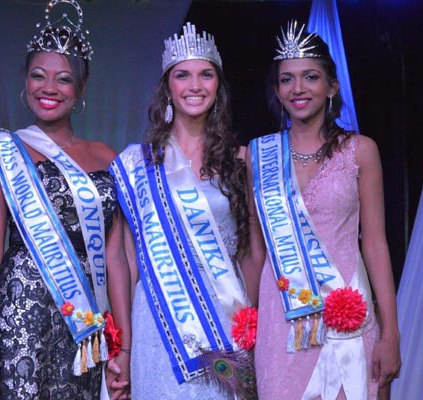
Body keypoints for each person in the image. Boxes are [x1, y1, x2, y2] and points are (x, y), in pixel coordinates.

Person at [0, 1, 131, 399]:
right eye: (38, 76)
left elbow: (115, 257)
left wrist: (124, 347)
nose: (49, 88)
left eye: (64, 79)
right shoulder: (3, 151)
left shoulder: (107, 157)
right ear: (25, 82)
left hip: (85, 320)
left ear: (81, 89)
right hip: (22, 311)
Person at [110, 22, 264, 400]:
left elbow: (252, 252)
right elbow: (125, 258)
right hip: (159, 319)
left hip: (224, 315)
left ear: (218, 86)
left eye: (205, 75)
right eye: (183, 75)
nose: (195, 85)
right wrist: (124, 347)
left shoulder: (241, 159)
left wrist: (251, 323)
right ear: (167, 88)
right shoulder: (136, 164)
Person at [250, 20, 401, 399]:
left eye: (311, 77)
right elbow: (255, 252)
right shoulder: (257, 156)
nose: (298, 88)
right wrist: (245, 325)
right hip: (282, 317)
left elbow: (375, 243)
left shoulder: (360, 150)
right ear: (277, 90)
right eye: (287, 79)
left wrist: (391, 332)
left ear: (332, 86)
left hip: (346, 311)